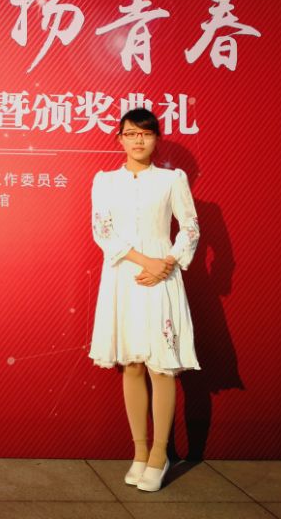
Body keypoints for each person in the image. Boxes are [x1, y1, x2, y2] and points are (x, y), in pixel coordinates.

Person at [88, 107, 200, 492]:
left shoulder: (172, 180)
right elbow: (102, 231)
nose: (138, 140)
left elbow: (189, 227)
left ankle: (159, 454)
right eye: (131, 133)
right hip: (125, 275)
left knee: (161, 366)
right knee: (133, 364)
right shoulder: (104, 182)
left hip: (163, 278)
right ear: (119, 138)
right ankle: (139, 452)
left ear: (156, 139)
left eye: (146, 133)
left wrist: (165, 263)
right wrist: (144, 261)